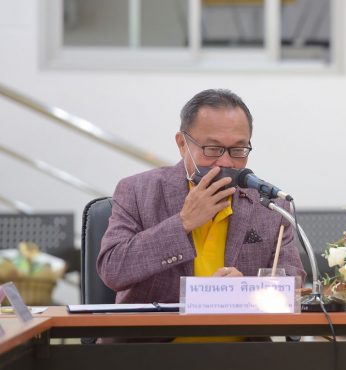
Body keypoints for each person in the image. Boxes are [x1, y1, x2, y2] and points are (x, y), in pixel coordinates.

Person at [98, 89, 305, 304]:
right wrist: (182, 223)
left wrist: (246, 291)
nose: (226, 162)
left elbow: (293, 285)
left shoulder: (271, 207)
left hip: (239, 325)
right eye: (213, 149)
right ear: (182, 144)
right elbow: (112, 271)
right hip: (159, 326)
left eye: (238, 149)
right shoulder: (138, 191)